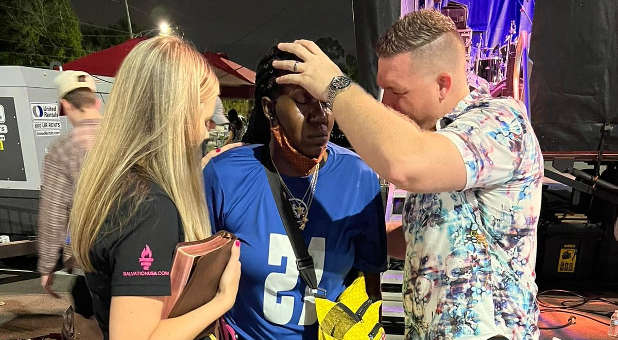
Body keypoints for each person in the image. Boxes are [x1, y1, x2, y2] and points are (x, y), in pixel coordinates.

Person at [273, 10, 543, 340]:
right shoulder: (439, 139)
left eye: (397, 91)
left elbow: (404, 165)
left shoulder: (500, 125)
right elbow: (430, 233)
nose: (385, 103)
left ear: (443, 84)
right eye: (382, 89)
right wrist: (349, 236)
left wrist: (335, 86)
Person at [203, 47, 387, 339]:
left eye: (327, 103)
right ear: (269, 108)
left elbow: (370, 285)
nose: (320, 116)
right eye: (303, 102)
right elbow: (198, 279)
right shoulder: (225, 175)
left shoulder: (358, 176)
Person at [69, 36, 241, 340]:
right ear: (177, 110)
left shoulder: (118, 186)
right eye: (205, 115)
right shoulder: (149, 208)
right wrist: (221, 301)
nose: (209, 127)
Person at [37, 70, 101, 315]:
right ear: (96, 102)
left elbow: (53, 213)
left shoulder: (61, 150)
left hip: (88, 258)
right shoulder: (124, 138)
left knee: (92, 321)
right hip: (137, 252)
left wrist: (47, 266)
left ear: (65, 105)